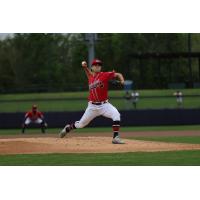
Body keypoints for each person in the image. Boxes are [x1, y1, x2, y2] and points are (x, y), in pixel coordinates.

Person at [59, 59, 125, 144]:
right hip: (92, 107)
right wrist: (85, 67)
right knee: (81, 125)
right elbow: (88, 72)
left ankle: (115, 137)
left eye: (99, 65)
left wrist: (122, 80)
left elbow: (118, 74)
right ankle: (68, 128)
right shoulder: (90, 77)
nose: (97, 66)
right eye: (95, 65)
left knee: (116, 114)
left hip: (104, 105)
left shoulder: (105, 75)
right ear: (92, 67)